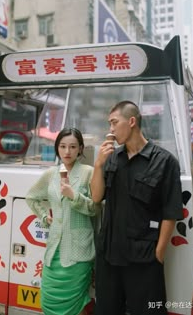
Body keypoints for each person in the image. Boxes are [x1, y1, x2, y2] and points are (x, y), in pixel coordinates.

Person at [90, 100, 183, 315]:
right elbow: (96, 197)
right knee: (106, 310)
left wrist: (159, 253)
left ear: (131, 121)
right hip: (110, 255)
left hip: (143, 258)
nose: (110, 130)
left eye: (114, 123)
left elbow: (171, 212)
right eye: (109, 124)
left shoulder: (165, 161)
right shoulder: (112, 157)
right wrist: (98, 164)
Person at [26, 128, 101, 315]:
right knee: (49, 300)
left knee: (78, 303)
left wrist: (73, 196)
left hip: (78, 252)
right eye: (63, 146)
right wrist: (44, 216)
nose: (67, 151)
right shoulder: (50, 174)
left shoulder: (88, 173)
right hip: (54, 251)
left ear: (80, 149)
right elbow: (31, 197)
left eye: (73, 147)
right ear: (57, 148)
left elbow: (95, 208)